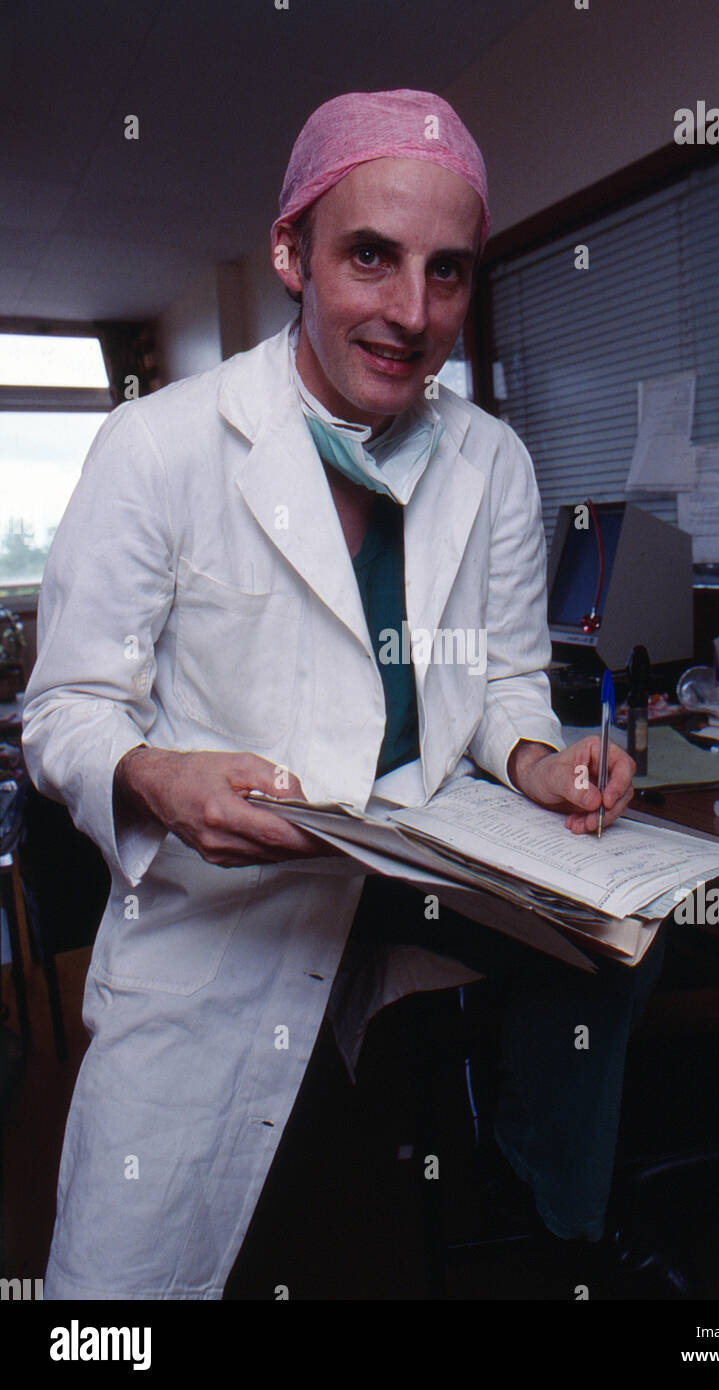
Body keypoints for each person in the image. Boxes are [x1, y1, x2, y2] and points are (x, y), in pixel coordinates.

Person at [23, 89, 658, 1301]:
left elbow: (505, 682)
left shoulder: (493, 460)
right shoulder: (158, 449)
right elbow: (66, 714)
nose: (411, 314)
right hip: (220, 931)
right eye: (370, 256)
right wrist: (156, 774)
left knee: (367, 1228)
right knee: (119, 1290)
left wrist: (543, 761)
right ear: (289, 253)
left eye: (448, 272)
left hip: (416, 902)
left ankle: (551, 1220)